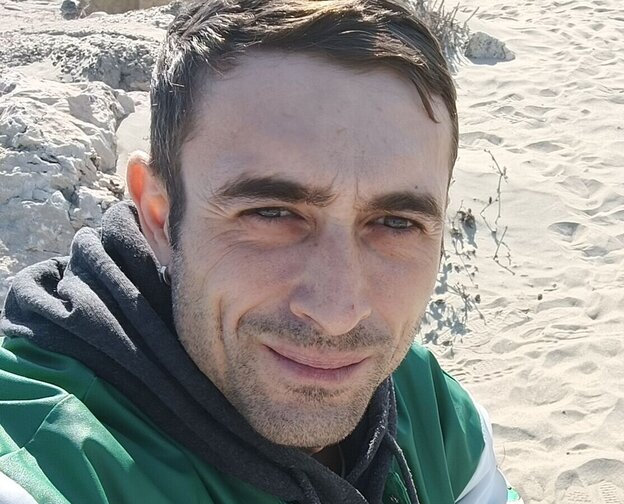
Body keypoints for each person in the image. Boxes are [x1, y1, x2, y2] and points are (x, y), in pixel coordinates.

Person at [0, 0, 518, 502]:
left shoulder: (434, 416)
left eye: (395, 223)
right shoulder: (46, 462)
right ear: (158, 214)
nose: (337, 313)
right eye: (271, 213)